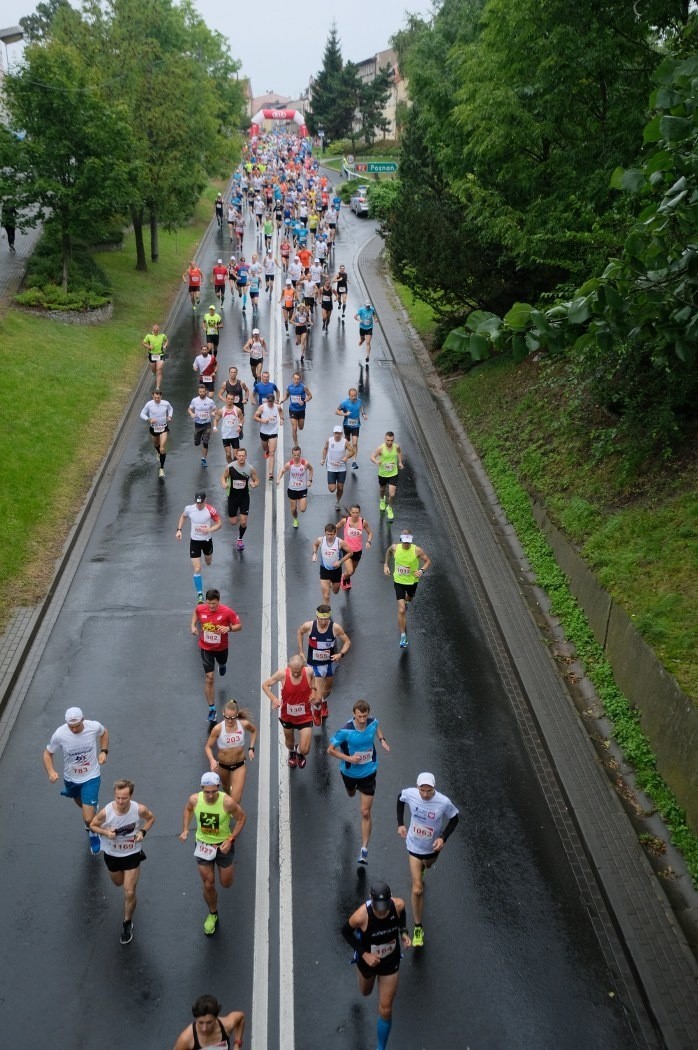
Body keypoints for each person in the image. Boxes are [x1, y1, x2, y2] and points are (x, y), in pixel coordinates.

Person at [341, 883, 411, 1050]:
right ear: (371, 900)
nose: (381, 911)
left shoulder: (398, 905)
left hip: (390, 961)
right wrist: (364, 954)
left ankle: (381, 1047)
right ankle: (359, 969)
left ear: (390, 898)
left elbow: (402, 915)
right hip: (367, 961)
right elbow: (345, 932)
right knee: (366, 992)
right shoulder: (361, 916)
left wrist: (403, 933)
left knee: (386, 1008)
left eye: (384, 907)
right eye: (378, 907)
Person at [89, 778, 155, 945]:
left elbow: (151, 819)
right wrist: (104, 832)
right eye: (118, 797)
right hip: (112, 854)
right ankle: (129, 902)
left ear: (130, 796)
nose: (120, 801)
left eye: (124, 798)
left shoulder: (139, 809)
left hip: (132, 853)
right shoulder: (106, 812)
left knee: (129, 891)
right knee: (118, 883)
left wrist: (142, 832)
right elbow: (92, 825)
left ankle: (127, 922)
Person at [180, 772, 246, 936]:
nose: (210, 795)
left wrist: (230, 839)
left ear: (218, 788)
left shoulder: (228, 802)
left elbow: (241, 818)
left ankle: (225, 869)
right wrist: (186, 829)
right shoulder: (195, 799)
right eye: (206, 791)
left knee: (226, 883)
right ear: (202, 788)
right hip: (203, 845)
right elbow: (188, 810)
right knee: (208, 883)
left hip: (223, 846)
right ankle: (213, 913)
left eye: (213, 791)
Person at [397, 773, 459, 947]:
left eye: (429, 790)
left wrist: (443, 838)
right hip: (414, 846)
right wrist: (400, 823)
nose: (425, 794)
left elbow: (454, 819)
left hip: (431, 849)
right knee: (417, 889)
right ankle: (418, 927)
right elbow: (400, 799)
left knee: (428, 865)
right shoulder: (411, 793)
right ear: (417, 787)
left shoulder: (443, 802)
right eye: (422, 790)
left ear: (434, 788)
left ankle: (424, 867)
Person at [327, 700, 390, 864]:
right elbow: (330, 750)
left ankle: (364, 850)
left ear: (368, 713)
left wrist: (382, 740)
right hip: (349, 772)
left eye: (365, 715)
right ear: (353, 714)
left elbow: (377, 728)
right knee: (350, 793)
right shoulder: (345, 731)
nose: (362, 719)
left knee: (365, 812)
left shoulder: (373, 722)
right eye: (359, 716)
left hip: (369, 771)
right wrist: (349, 758)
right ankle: (352, 790)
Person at [43, 707, 109, 854]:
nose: (73, 730)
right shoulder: (60, 734)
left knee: (87, 818)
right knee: (78, 801)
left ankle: (94, 833)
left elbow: (104, 732)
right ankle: (92, 809)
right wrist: (51, 771)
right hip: (71, 779)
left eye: (77, 726)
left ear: (83, 720)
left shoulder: (93, 726)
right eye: (70, 727)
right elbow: (48, 754)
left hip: (91, 776)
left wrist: (104, 751)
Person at [191, 588, 242, 723]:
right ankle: (212, 709)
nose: (211, 606)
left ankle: (222, 665)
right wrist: (193, 626)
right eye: (209, 603)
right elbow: (196, 613)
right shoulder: (201, 608)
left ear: (218, 601)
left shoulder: (227, 612)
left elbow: (239, 625)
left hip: (221, 648)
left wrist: (228, 628)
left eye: (214, 603)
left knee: (222, 663)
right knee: (209, 678)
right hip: (205, 647)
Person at [262, 654, 315, 769]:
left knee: (305, 749)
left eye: (298, 672)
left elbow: (315, 679)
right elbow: (265, 685)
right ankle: (292, 751)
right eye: (293, 671)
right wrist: (274, 699)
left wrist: (314, 691)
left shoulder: (309, 672)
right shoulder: (282, 674)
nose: (296, 674)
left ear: (303, 668)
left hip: (305, 715)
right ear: (289, 666)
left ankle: (300, 753)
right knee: (289, 742)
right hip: (288, 715)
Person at [297, 604, 351, 716]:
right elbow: (300, 632)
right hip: (314, 664)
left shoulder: (335, 628)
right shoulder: (309, 626)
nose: (323, 622)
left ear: (329, 618)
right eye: (320, 619)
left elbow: (347, 642)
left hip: (330, 663)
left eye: (325, 619)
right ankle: (316, 708)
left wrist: (341, 654)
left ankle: (324, 701)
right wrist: (301, 651)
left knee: (327, 691)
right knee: (317, 696)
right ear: (316, 617)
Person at [383, 531, 432, 648]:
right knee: (401, 610)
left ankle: (407, 602)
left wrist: (421, 570)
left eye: (408, 542)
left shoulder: (417, 550)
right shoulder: (395, 548)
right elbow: (388, 552)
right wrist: (385, 565)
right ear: (401, 540)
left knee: (409, 598)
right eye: (404, 542)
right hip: (399, 582)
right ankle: (403, 636)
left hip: (412, 582)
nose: (406, 544)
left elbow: (428, 561)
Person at [205, 699, 256, 802]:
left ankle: (232, 804)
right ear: (223, 714)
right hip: (223, 765)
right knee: (226, 788)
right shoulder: (218, 729)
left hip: (239, 765)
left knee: (235, 800)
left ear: (237, 715)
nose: (229, 720)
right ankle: (230, 795)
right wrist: (212, 760)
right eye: (226, 717)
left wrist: (251, 748)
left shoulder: (243, 724)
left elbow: (254, 731)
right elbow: (208, 747)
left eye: (233, 717)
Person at [176, 491, 222, 602]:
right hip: (195, 542)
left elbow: (219, 523)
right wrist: (179, 530)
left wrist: (209, 530)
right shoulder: (190, 509)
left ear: (205, 500)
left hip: (206, 541)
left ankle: (209, 557)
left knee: (208, 562)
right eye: (197, 503)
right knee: (197, 568)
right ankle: (200, 594)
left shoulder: (210, 510)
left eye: (201, 503)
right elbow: (183, 517)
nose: (199, 505)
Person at [220, 447, 260, 551]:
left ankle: (240, 539)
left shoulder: (250, 468)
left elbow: (257, 480)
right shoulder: (230, 467)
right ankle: (240, 515)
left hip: (244, 497)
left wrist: (254, 484)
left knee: (243, 522)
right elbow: (223, 477)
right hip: (232, 497)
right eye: (239, 456)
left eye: (243, 456)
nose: (241, 458)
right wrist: (224, 484)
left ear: (245, 457)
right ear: (236, 456)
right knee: (233, 522)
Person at [172, 994, 245, 1050]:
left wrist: (237, 1044)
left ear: (216, 1018)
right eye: (200, 1022)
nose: (204, 1028)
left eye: (209, 1022)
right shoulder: (186, 1039)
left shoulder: (226, 1025)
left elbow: (240, 1017)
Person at [312, 522, 354, 601]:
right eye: (328, 534)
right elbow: (315, 544)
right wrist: (314, 553)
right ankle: (326, 613)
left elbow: (350, 553)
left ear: (335, 533)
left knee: (335, 591)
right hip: (324, 570)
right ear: (325, 533)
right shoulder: (320, 540)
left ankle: (336, 581)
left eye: (331, 534)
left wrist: (340, 562)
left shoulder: (340, 542)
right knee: (326, 595)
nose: (329, 536)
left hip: (336, 571)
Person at [336, 505, 373, 590]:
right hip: (347, 550)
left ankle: (347, 578)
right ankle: (343, 578)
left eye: (357, 513)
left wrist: (368, 542)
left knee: (353, 571)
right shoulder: (345, 521)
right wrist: (335, 540)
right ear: (350, 512)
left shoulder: (363, 522)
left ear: (359, 513)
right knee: (350, 570)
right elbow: (335, 527)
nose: (355, 514)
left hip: (358, 550)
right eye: (353, 513)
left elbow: (370, 533)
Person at [370, 432, 404, 522]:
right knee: (382, 489)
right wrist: (376, 462)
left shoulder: (396, 447)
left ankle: (389, 507)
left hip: (393, 473)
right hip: (383, 473)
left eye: (391, 440)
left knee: (392, 494)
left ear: (393, 440)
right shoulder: (380, 448)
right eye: (388, 440)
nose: (390, 442)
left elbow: (399, 452)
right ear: (385, 439)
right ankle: (382, 499)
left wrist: (400, 462)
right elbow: (372, 457)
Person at [139, 388, 173, 478]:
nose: (157, 399)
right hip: (154, 428)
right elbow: (142, 414)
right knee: (156, 445)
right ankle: (158, 452)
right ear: (152, 396)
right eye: (155, 397)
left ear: (161, 396)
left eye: (158, 397)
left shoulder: (165, 403)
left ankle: (161, 469)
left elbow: (170, 409)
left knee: (162, 448)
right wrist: (149, 419)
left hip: (163, 428)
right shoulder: (149, 404)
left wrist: (169, 416)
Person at [277, 445, 313, 527]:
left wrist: (310, 480)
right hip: (292, 489)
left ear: (300, 455)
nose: (296, 457)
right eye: (295, 455)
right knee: (293, 509)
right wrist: (278, 479)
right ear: (292, 455)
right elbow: (282, 471)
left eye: (298, 455)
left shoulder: (305, 463)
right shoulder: (289, 464)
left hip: (302, 489)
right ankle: (295, 520)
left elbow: (311, 469)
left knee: (302, 509)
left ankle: (301, 504)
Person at [321, 425, 353, 510]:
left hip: (341, 468)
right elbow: (325, 449)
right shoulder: (329, 440)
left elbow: (352, 451)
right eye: (336, 433)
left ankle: (338, 501)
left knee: (340, 487)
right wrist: (323, 459)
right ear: (333, 433)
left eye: (339, 433)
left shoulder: (345, 442)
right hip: (331, 467)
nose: (337, 435)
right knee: (332, 489)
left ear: (341, 433)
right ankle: (332, 484)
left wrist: (346, 457)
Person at [336, 388, 367, 470]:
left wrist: (363, 414)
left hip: (356, 425)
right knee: (347, 441)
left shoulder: (359, 401)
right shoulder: (344, 403)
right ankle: (345, 456)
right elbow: (336, 411)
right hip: (347, 425)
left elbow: (361, 408)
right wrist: (344, 413)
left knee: (355, 443)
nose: (354, 397)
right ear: (349, 395)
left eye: (355, 395)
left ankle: (354, 461)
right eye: (352, 396)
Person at [188, 384, 219, 468]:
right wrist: (191, 414)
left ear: (206, 391)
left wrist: (214, 412)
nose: (202, 393)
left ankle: (203, 459)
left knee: (205, 442)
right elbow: (189, 409)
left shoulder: (210, 401)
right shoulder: (194, 400)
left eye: (203, 392)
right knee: (197, 443)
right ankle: (200, 437)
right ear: (198, 392)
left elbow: (215, 409)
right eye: (200, 392)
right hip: (198, 424)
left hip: (207, 424)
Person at [253, 395, 283, 480]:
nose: (270, 403)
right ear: (267, 401)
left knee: (272, 453)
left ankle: (270, 473)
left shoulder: (277, 407)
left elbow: (281, 412)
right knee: (265, 448)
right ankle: (267, 451)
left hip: (273, 431)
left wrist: (282, 419)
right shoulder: (262, 407)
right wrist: (263, 420)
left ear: (274, 401)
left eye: (271, 402)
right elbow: (255, 417)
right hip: (264, 432)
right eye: (269, 402)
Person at [279, 372, 313, 445]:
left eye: (298, 379)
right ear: (293, 379)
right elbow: (287, 395)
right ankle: (296, 445)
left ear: (300, 379)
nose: (296, 380)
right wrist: (283, 399)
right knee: (294, 428)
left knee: (300, 427)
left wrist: (304, 401)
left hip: (301, 410)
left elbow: (310, 396)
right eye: (295, 379)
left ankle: (299, 424)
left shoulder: (304, 387)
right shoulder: (289, 387)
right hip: (292, 410)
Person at [142, 322, 168, 388]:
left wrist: (165, 345)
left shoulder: (162, 336)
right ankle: (153, 372)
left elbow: (166, 340)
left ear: (158, 330)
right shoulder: (148, 336)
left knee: (159, 370)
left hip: (161, 354)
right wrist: (149, 347)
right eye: (154, 330)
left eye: (157, 330)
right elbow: (143, 343)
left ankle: (157, 387)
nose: (156, 331)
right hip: (152, 355)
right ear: (152, 329)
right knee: (154, 369)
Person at [355, 300, 377, 364]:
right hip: (362, 328)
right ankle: (361, 340)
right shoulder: (361, 310)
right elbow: (355, 316)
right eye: (367, 306)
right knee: (362, 339)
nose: (368, 307)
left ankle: (367, 356)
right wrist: (359, 320)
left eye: (369, 306)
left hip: (369, 328)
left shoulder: (372, 309)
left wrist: (375, 319)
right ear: (365, 305)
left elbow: (374, 314)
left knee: (368, 342)